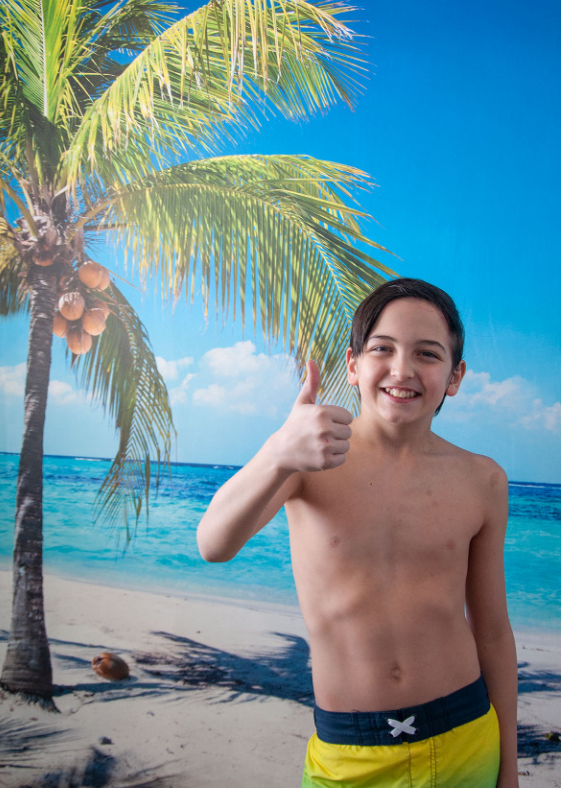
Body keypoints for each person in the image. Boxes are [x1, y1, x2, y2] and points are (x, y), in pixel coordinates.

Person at [197, 278, 518, 787]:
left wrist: (509, 768)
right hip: (349, 752)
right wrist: (277, 451)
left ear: (454, 377)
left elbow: (494, 633)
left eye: (428, 354)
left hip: (466, 738)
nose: (402, 369)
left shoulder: (483, 480)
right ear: (352, 365)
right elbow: (213, 544)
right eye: (382, 349)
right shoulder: (305, 459)